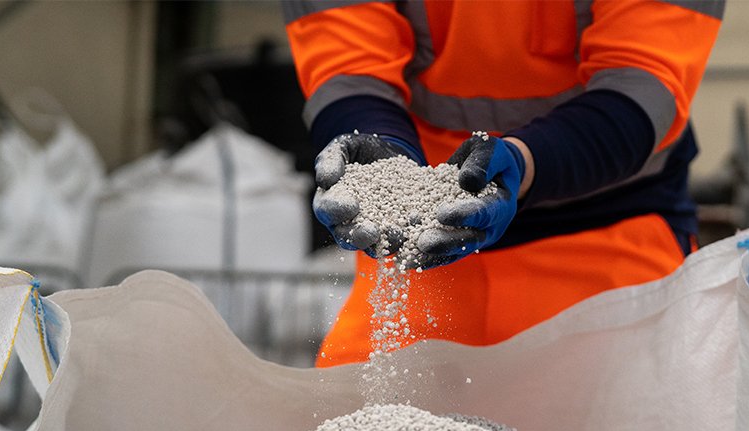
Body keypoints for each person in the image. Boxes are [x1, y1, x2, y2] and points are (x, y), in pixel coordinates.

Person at [283, 0, 724, 367]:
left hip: (612, 246)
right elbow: (347, 66)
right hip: (420, 244)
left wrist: (524, 162)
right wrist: (377, 148)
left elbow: (641, 86)